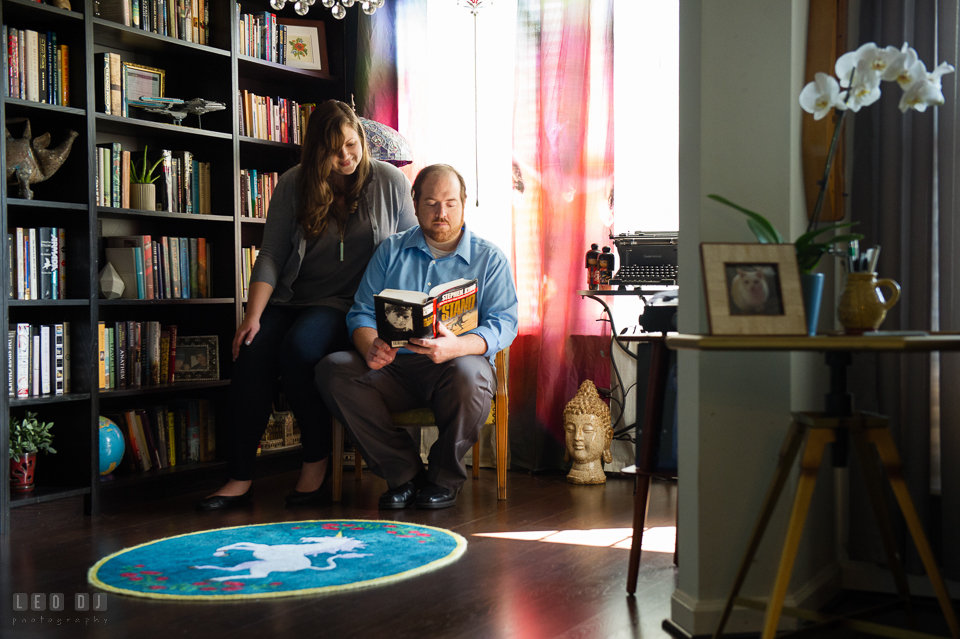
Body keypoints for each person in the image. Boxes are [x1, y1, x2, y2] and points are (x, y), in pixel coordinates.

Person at [198, 101, 417, 510]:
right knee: (251, 349)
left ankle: (315, 462)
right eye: (335, 150)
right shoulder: (293, 184)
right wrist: (252, 317)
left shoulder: (389, 181)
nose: (346, 156)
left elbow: (409, 253)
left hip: (351, 304)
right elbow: (271, 255)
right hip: (292, 297)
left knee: (300, 349)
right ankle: (239, 476)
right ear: (317, 150)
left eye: (351, 144)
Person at [317, 164, 519, 510]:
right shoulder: (390, 251)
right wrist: (370, 346)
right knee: (333, 369)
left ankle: (442, 477)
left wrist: (457, 346)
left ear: (464, 204)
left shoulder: (490, 258)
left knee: (472, 376)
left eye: (450, 203)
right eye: (431, 203)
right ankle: (404, 473)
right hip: (393, 368)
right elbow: (362, 312)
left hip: (454, 368)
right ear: (415, 202)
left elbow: (504, 323)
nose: (441, 213)